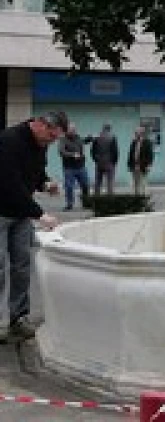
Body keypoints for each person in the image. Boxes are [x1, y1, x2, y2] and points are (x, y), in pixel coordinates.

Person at [0, 111, 66, 341]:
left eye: (54, 138)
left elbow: (35, 172)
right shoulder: (8, 141)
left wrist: (45, 183)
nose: (51, 142)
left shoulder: (40, 143)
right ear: (38, 124)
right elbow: (10, 184)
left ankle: (18, 318)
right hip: (2, 212)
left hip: (20, 215)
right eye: (50, 136)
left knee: (21, 267)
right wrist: (40, 214)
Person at [58, 122, 90, 211]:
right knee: (69, 186)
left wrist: (90, 138)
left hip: (80, 166)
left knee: (85, 185)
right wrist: (72, 155)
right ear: (67, 131)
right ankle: (69, 204)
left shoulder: (78, 137)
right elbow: (61, 151)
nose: (73, 131)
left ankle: (86, 202)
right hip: (69, 167)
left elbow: (83, 141)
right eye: (71, 130)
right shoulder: (63, 139)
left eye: (74, 130)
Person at [91, 123, 119, 196]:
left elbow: (93, 150)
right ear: (109, 129)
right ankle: (110, 198)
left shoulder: (97, 137)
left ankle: (96, 198)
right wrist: (114, 162)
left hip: (99, 162)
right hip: (109, 162)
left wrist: (95, 159)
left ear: (103, 128)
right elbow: (115, 151)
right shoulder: (112, 137)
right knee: (110, 182)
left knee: (97, 182)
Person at [127, 126, 154, 195]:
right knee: (135, 184)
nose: (136, 134)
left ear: (141, 133)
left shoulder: (147, 142)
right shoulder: (134, 142)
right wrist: (129, 165)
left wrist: (149, 165)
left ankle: (143, 198)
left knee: (143, 184)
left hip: (143, 166)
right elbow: (130, 154)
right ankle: (136, 197)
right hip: (134, 166)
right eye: (135, 133)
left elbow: (150, 155)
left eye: (137, 133)